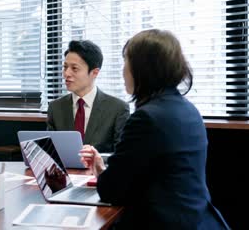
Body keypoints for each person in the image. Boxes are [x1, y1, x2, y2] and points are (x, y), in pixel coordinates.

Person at [80, 29, 229, 229]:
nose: (123, 71)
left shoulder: (146, 118)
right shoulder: (188, 109)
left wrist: (101, 172)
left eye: (126, 62)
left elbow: (111, 191)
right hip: (201, 220)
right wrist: (101, 167)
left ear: (141, 69)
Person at [47, 40, 129, 152]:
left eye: (74, 68)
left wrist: (96, 159)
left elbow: (122, 154)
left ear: (94, 73)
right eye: (65, 67)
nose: (66, 73)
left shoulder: (117, 108)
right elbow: (50, 151)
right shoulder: (55, 107)